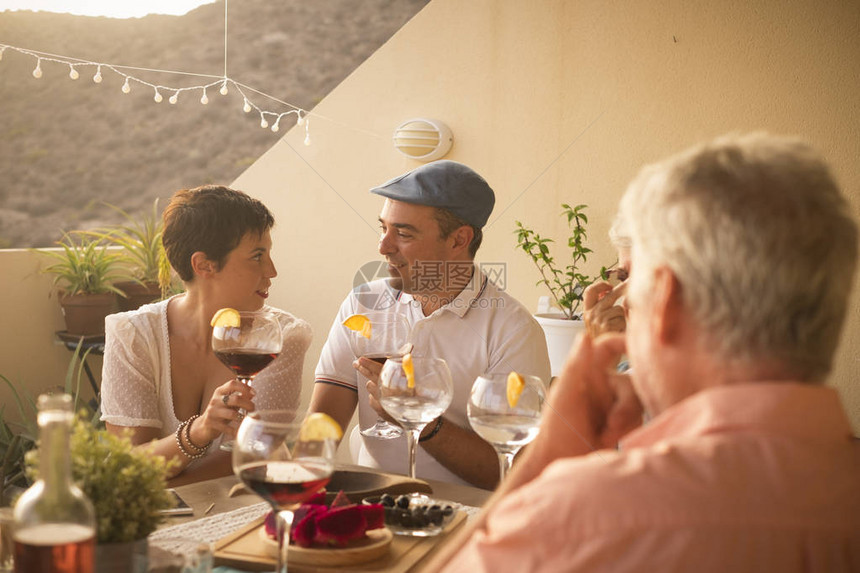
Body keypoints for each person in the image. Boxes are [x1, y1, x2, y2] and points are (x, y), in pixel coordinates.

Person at [425, 133, 860, 572]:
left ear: (665, 299)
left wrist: (546, 458)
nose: (620, 296)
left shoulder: (588, 516)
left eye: (629, 276)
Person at [310, 160, 551, 489]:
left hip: (466, 515)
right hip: (374, 502)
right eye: (383, 228)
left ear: (458, 240)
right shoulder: (362, 303)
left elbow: (512, 473)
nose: (383, 247)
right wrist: (296, 492)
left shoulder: (513, 331)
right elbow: (322, 425)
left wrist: (422, 424)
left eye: (403, 233)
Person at [100, 185, 312, 485]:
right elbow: (129, 460)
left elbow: (253, 454)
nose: (272, 270)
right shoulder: (133, 335)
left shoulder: (282, 336)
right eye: (257, 256)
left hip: (247, 508)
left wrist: (159, 486)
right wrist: (199, 431)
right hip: (160, 520)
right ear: (203, 265)